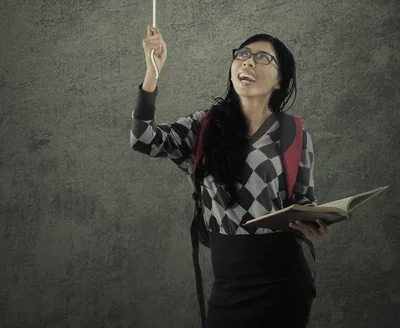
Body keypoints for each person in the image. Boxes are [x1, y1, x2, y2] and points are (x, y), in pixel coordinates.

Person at [131, 25, 330, 328]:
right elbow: (143, 138)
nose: (248, 62)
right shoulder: (205, 125)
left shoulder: (294, 134)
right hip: (228, 285)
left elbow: (303, 202)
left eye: (263, 58)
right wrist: (152, 74)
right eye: (243, 54)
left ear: (280, 81)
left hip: (285, 283)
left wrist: (313, 225)